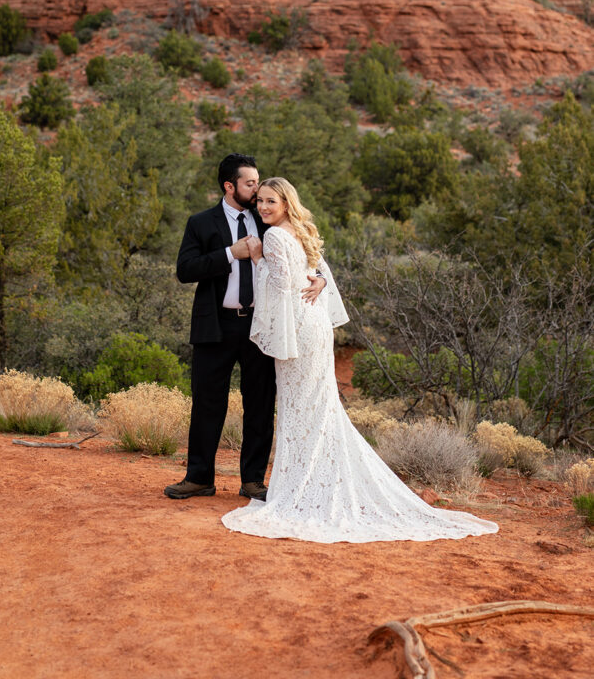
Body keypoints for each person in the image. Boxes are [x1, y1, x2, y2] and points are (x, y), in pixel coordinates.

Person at [222, 177, 499, 543]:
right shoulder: (302, 230)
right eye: (260, 202)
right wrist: (318, 279)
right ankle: (316, 482)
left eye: (270, 201)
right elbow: (318, 274)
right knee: (319, 407)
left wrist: (257, 258)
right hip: (316, 326)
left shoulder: (273, 237)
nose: (263, 208)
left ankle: (302, 489)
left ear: (287, 202)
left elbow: (279, 286)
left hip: (298, 329)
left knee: (300, 409)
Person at [164, 155, 325, 502]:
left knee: (260, 403)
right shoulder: (201, 222)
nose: (257, 189)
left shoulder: (268, 217)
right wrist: (229, 253)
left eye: (259, 183)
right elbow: (185, 269)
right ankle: (199, 478)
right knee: (208, 403)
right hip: (216, 326)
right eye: (250, 183)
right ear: (229, 186)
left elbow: (307, 253)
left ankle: (253, 481)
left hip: (262, 325)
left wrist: (322, 279)